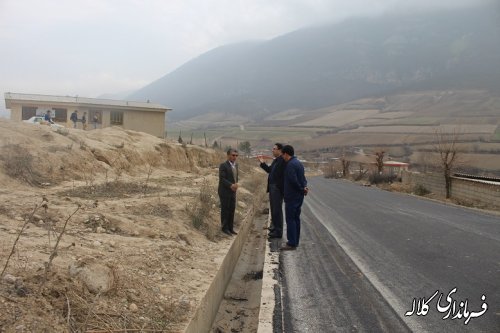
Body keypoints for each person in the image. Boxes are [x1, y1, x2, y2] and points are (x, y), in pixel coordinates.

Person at [281, 145, 308, 250]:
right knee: (296, 218)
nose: (282, 157)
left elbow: (293, 181)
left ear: (286, 154)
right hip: (299, 196)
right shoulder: (299, 163)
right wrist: (304, 187)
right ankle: (295, 241)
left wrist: (301, 189)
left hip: (292, 196)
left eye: (283, 155)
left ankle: (291, 243)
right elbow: (303, 179)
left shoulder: (290, 165)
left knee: (290, 219)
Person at [258, 143, 285, 239]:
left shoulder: (282, 161)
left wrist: (278, 187)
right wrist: (262, 163)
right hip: (273, 188)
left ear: (280, 150)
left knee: (277, 210)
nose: (272, 150)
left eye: (274, 149)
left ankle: (278, 231)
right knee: (274, 210)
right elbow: (270, 170)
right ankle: (274, 228)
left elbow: (281, 176)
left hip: (277, 189)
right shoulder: (276, 161)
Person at [218, 148, 239, 236]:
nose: (235, 157)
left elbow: (235, 177)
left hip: (233, 191)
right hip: (225, 191)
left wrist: (236, 185)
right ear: (228, 155)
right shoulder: (223, 165)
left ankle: (230, 228)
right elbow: (222, 179)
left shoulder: (236, 165)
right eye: (233, 155)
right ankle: (224, 228)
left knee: (232, 209)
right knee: (225, 210)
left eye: (236, 155)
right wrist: (231, 185)